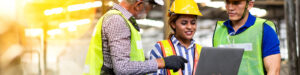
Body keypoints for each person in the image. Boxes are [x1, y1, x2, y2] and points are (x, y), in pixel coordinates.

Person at [83, 0, 188, 75]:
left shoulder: (124, 21)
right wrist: (162, 62)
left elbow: (130, 58)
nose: (149, 11)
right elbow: (122, 68)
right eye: (151, 7)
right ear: (139, 4)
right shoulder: (117, 21)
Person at [213, 0, 281, 75]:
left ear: (249, 5)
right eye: (228, 2)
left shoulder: (264, 29)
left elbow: (273, 71)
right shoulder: (219, 31)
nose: (230, 7)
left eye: (236, 3)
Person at [149, 0, 203, 75]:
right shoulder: (160, 48)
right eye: (184, 23)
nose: (189, 27)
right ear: (173, 24)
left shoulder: (201, 51)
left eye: (193, 23)